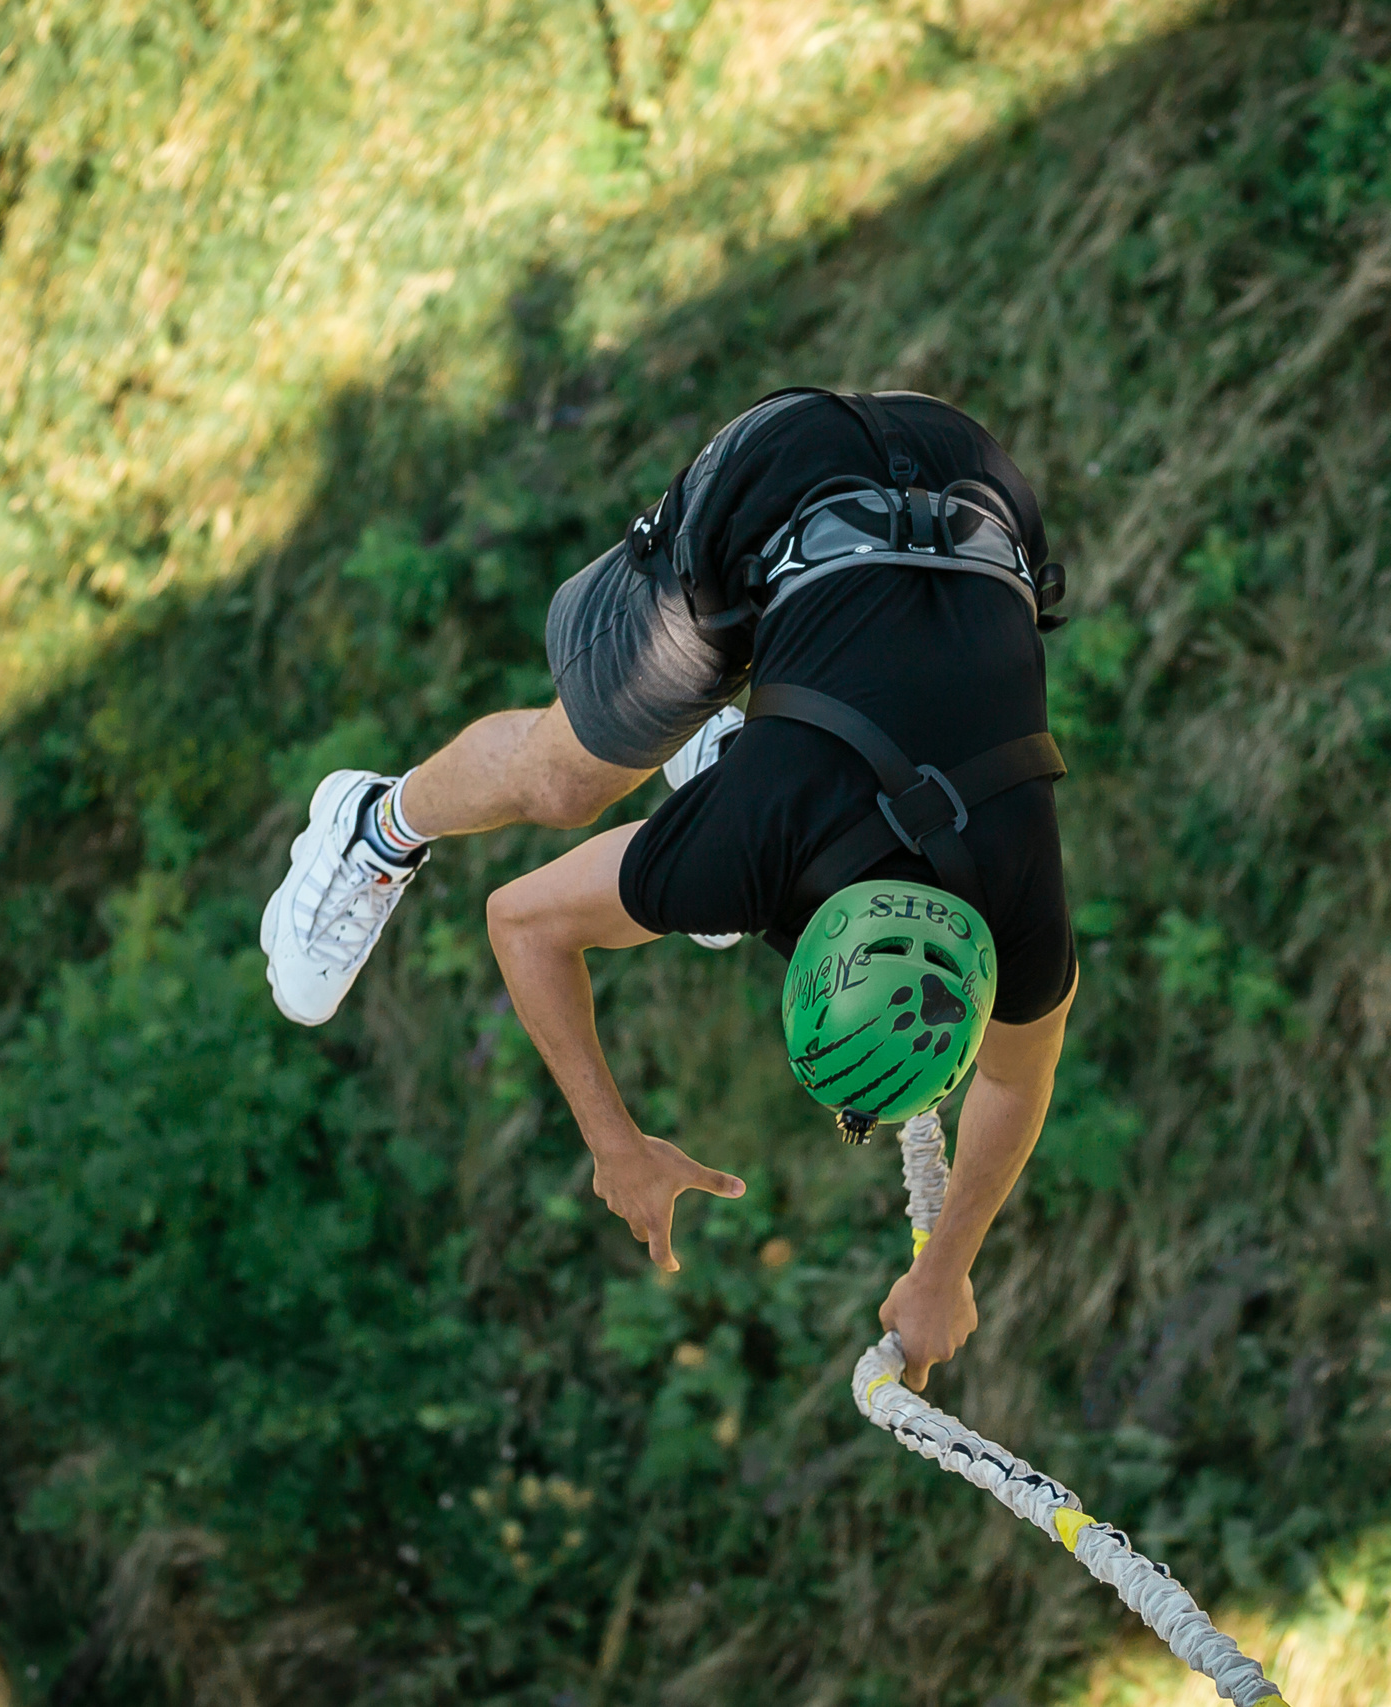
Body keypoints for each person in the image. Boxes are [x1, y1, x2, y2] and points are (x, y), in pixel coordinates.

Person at [258, 389, 1075, 1392]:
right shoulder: (747, 851)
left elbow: (1015, 1080)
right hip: (784, 474)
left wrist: (946, 1269)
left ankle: (729, 745)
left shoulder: (1021, 902)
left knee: (751, 822)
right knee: (566, 783)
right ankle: (375, 826)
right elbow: (522, 922)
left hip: (965, 470)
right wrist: (616, 1146)